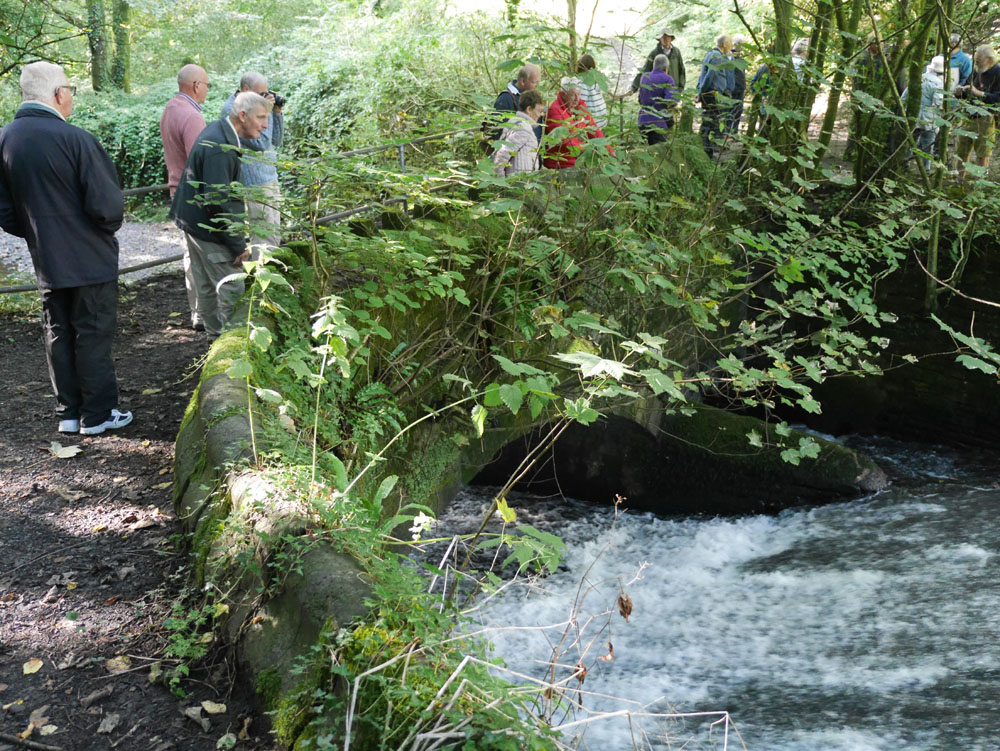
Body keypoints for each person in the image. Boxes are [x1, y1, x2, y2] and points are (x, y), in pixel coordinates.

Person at [0, 61, 133, 436]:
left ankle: (69, 413)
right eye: (70, 89)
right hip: (90, 257)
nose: (71, 96)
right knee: (91, 331)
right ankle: (99, 413)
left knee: (57, 330)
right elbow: (108, 208)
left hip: (48, 259)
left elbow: (6, 211)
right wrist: (97, 232)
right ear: (59, 94)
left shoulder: (6, 139)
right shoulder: (76, 139)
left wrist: (37, 233)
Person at [170, 92, 270, 337]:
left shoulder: (219, 131)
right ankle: (232, 350)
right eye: (261, 118)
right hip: (207, 227)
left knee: (205, 285)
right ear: (243, 116)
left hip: (194, 223)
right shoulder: (221, 148)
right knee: (231, 287)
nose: (265, 125)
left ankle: (214, 344)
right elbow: (218, 202)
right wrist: (237, 245)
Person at [160, 64, 210, 331]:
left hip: (177, 191)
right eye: (207, 85)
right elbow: (199, 161)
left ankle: (198, 311)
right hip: (193, 194)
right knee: (205, 254)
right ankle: (207, 313)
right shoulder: (191, 116)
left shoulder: (170, 109)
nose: (207, 91)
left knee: (191, 254)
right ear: (196, 85)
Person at [220, 73, 284, 251]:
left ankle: (271, 272)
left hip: (269, 175)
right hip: (254, 181)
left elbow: (276, 141)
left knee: (274, 231)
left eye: (266, 93)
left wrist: (277, 114)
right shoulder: (233, 110)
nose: (264, 97)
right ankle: (261, 275)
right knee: (263, 234)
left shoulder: (254, 107)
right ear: (246, 90)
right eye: (261, 93)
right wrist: (267, 112)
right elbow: (261, 143)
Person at [543, 77, 613, 169]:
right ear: (563, 94)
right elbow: (566, 142)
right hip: (561, 163)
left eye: (579, 94)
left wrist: (608, 149)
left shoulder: (580, 106)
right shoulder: (555, 110)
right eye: (573, 95)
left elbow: (593, 129)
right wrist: (589, 151)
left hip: (578, 159)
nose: (577, 99)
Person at [954, 45, 1000, 180]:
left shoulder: (998, 73)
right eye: (975, 60)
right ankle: (959, 180)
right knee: (961, 151)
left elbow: (998, 99)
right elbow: (968, 90)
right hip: (967, 117)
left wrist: (978, 93)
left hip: (986, 118)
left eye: (979, 60)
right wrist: (960, 92)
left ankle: (980, 184)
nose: (976, 63)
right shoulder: (976, 71)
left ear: (990, 60)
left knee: (983, 153)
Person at [902, 56, 946, 172]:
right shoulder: (938, 84)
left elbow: (904, 97)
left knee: (910, 142)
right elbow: (938, 103)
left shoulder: (918, 78)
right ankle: (926, 169)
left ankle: (904, 164)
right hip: (929, 120)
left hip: (913, 116)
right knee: (928, 146)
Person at [697, 34, 735, 160]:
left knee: (711, 122)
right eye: (729, 43)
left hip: (711, 94)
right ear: (724, 44)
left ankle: (705, 151)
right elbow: (709, 76)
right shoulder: (717, 57)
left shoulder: (712, 55)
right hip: (712, 95)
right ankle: (707, 154)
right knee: (711, 123)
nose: (731, 46)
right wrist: (703, 91)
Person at [493, 89, 546, 175]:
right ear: (529, 109)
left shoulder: (514, 122)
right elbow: (502, 155)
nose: (540, 114)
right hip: (518, 182)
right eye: (539, 111)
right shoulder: (524, 127)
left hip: (519, 180)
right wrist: (500, 181)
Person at [487, 63, 542, 144]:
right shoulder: (506, 99)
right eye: (534, 82)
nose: (536, 86)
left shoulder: (532, 98)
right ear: (523, 81)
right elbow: (498, 133)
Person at [637, 54, 676, 144]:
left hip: (642, 120)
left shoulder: (645, 76)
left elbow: (640, 99)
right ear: (666, 68)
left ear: (653, 65)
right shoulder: (668, 79)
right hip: (658, 122)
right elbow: (670, 101)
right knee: (658, 152)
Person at [631, 29, 686, 95]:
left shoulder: (676, 52)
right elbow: (645, 70)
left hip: (674, 90)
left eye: (668, 37)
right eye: (663, 37)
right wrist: (635, 86)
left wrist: (680, 88)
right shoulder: (654, 53)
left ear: (671, 38)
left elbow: (681, 70)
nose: (666, 39)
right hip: (659, 91)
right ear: (660, 39)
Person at [576, 54, 608, 129]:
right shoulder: (597, 79)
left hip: (593, 122)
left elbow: (581, 104)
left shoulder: (583, 82)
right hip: (602, 118)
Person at [725, 35, 747, 136]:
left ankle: (734, 133)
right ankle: (727, 134)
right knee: (730, 112)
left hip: (740, 88)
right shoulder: (730, 56)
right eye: (742, 44)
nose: (743, 47)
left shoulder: (740, 58)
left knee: (738, 111)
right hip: (733, 89)